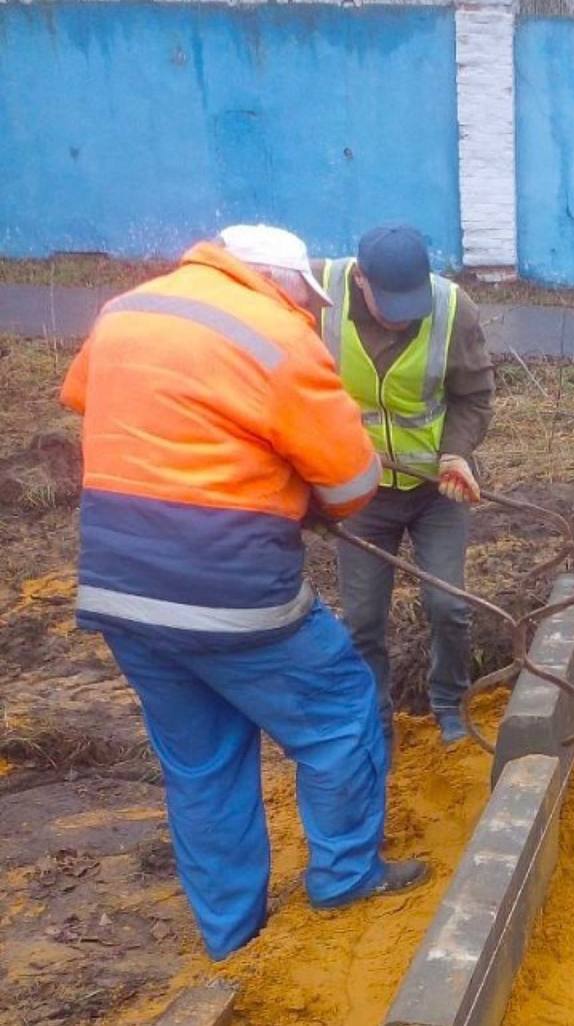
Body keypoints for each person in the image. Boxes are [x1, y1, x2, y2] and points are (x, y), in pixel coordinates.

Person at [59, 224, 427, 961]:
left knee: (202, 762)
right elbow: (354, 486)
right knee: (338, 714)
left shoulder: (128, 310)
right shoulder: (279, 338)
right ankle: (345, 875)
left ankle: (233, 933)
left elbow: (82, 399)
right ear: (287, 285)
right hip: (230, 587)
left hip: (119, 585)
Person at [314, 225, 495, 745]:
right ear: (360, 279)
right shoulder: (319, 297)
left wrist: (457, 453)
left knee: (448, 605)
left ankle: (449, 706)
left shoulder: (451, 308)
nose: (403, 314)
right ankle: (377, 723)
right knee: (364, 618)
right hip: (362, 492)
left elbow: (474, 396)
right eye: (390, 301)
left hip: (437, 489)